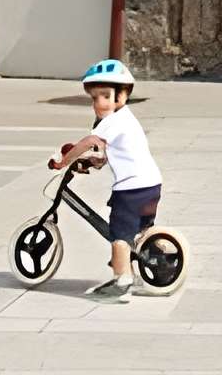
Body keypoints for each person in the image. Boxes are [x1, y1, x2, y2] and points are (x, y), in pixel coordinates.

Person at [49, 59, 163, 300]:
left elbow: (89, 142)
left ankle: (122, 282)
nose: (98, 103)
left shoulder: (113, 120)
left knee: (119, 235)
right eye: (94, 98)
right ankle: (151, 262)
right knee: (138, 230)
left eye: (105, 96)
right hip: (149, 184)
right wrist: (93, 162)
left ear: (123, 95)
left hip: (132, 188)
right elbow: (107, 153)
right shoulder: (126, 118)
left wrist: (63, 161)